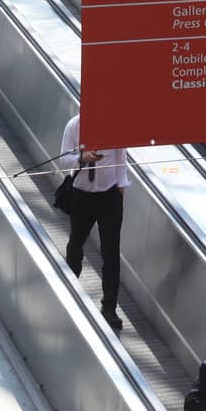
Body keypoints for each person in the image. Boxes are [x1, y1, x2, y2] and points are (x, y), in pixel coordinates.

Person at [58, 113, 129, 331]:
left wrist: (121, 186)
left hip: (109, 196)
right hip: (82, 195)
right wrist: (82, 158)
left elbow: (120, 157)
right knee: (76, 244)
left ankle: (109, 307)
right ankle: (70, 292)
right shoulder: (74, 125)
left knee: (111, 253)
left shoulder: (114, 124)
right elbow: (63, 159)